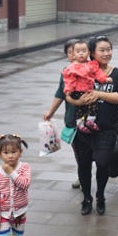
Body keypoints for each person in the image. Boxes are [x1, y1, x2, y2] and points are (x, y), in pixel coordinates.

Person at [68, 35, 118, 216]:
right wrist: (78, 102)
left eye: (109, 49)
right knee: (84, 165)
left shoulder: (116, 74)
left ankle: (100, 195)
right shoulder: (80, 70)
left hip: (107, 128)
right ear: (92, 53)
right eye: (101, 50)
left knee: (103, 164)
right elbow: (68, 93)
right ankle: (87, 198)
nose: (106, 53)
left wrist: (99, 94)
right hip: (83, 128)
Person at [43, 39, 84, 189]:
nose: (74, 55)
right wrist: (50, 112)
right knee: (78, 151)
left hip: (90, 120)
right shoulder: (66, 72)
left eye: (77, 51)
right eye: (70, 52)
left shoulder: (90, 69)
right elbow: (60, 93)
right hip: (73, 120)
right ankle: (82, 175)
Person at [0, 134, 30, 236]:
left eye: (14, 152)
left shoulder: (25, 168)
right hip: (3, 214)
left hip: (20, 213)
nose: (10, 156)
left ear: (20, 151)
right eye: (6, 152)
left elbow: (24, 184)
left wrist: (11, 172)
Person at [62, 40, 111, 133]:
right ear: (73, 54)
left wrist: (104, 79)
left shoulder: (91, 65)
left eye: (83, 51)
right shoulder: (71, 68)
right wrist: (68, 89)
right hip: (77, 91)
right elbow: (69, 80)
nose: (81, 54)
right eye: (78, 52)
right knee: (80, 109)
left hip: (88, 90)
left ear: (88, 53)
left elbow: (98, 73)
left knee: (93, 105)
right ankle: (80, 124)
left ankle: (90, 121)